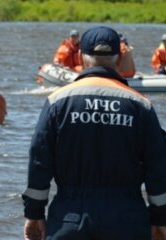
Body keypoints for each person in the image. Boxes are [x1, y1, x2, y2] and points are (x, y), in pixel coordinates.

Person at [22, 26, 166, 240]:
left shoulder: (57, 101)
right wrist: (160, 219)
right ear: (118, 59)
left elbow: (39, 158)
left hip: (69, 218)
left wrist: (34, 214)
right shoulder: (140, 105)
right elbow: (158, 166)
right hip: (127, 219)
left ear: (81, 56)